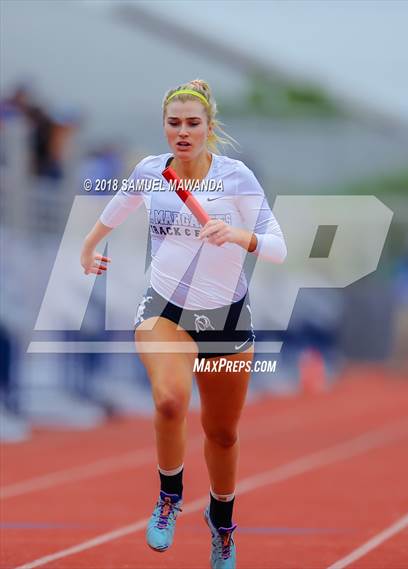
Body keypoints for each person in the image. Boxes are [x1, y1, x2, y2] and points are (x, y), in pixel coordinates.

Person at [80, 79, 287, 569]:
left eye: (193, 123)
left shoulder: (236, 178)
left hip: (226, 317)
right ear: (165, 128)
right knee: (170, 400)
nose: (183, 131)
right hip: (165, 308)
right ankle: (169, 496)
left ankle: (222, 523)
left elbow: (276, 246)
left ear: (209, 128)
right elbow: (117, 207)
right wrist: (89, 247)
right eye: (174, 123)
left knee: (222, 435)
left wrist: (238, 235)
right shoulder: (151, 172)